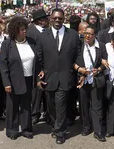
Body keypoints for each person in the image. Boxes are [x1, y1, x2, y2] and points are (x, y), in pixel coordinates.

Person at [36, 8, 80, 144]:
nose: (57, 20)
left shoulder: (72, 35)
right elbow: (38, 57)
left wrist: (77, 71)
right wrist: (39, 75)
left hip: (66, 76)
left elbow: (78, 54)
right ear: (50, 19)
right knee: (50, 106)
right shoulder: (43, 36)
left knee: (61, 104)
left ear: (64, 19)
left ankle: (60, 132)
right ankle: (57, 125)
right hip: (49, 78)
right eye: (54, 18)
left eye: (60, 18)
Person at [1, 17, 40, 140]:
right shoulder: (7, 44)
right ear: (14, 31)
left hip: (29, 79)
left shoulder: (31, 42)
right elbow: (4, 65)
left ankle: (26, 129)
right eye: (21, 30)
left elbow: (37, 60)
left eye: (25, 29)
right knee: (12, 106)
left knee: (26, 105)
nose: (24, 32)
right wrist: (6, 83)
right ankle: (12, 130)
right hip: (13, 80)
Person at [74, 25, 107, 142]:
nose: (87, 36)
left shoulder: (101, 46)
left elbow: (105, 63)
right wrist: (80, 70)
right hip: (82, 80)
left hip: (95, 79)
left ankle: (98, 131)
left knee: (97, 105)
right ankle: (86, 127)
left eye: (90, 34)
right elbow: (72, 61)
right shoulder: (79, 46)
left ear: (95, 35)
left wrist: (99, 69)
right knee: (83, 105)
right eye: (86, 33)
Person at [26, 9, 50, 125]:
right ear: (40, 21)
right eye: (46, 19)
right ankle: (35, 114)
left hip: (48, 66)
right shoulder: (30, 32)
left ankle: (47, 113)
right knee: (37, 92)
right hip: (36, 67)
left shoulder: (48, 31)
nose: (48, 20)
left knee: (47, 91)